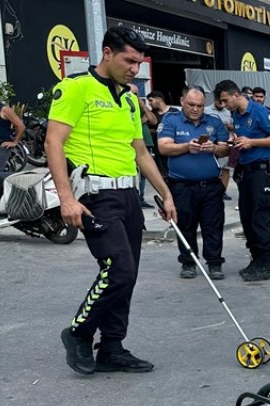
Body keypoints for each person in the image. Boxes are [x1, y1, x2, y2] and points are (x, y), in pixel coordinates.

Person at [48, 26, 177, 375]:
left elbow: (141, 152)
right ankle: (78, 333)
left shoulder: (130, 100)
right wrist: (66, 198)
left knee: (128, 274)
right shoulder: (76, 88)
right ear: (107, 53)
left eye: (139, 62)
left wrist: (165, 194)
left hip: (129, 195)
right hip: (94, 194)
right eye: (129, 60)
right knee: (117, 269)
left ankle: (112, 347)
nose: (135, 69)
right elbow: (53, 143)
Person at [214, 79, 270, 281]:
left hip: (263, 171)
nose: (224, 105)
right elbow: (243, 138)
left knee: (260, 217)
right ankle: (256, 259)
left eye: (226, 100)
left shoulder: (260, 112)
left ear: (236, 95)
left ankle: (266, 264)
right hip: (246, 171)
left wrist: (252, 142)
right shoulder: (236, 115)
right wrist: (235, 142)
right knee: (247, 218)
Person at [158, 85, 230, 280]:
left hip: (210, 185)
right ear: (182, 102)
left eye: (199, 105)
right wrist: (186, 147)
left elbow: (226, 148)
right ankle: (188, 262)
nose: (196, 109)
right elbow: (163, 147)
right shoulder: (171, 120)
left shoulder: (213, 122)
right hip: (182, 186)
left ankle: (215, 263)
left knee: (213, 225)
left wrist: (213, 147)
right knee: (185, 225)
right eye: (191, 104)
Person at [131, 83, 158, 209]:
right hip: (132, 143)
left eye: (136, 94)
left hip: (146, 142)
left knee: (144, 173)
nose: (134, 96)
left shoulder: (141, 107)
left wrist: (144, 108)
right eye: (132, 93)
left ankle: (141, 197)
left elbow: (154, 121)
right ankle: (135, 197)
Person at [208, 92, 236, 200]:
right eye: (220, 101)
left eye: (224, 101)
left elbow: (234, 128)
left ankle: (223, 191)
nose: (222, 104)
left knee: (225, 168)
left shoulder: (228, 112)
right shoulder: (206, 111)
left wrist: (230, 127)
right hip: (211, 143)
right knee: (212, 168)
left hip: (225, 143)